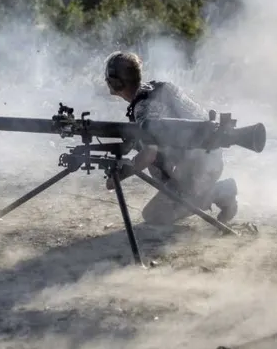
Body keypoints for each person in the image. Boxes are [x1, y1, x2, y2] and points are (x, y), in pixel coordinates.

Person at [102, 50, 239, 226]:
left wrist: (118, 177)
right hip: (205, 161)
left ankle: (221, 191)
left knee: (155, 215)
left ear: (116, 82)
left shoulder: (143, 107)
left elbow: (149, 154)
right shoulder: (158, 88)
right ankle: (193, 192)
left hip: (200, 169)